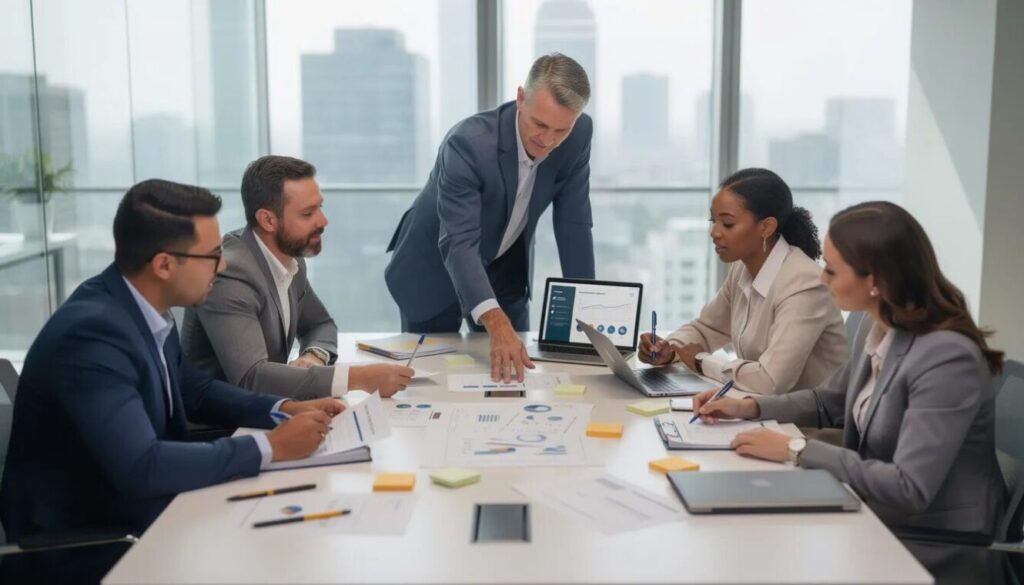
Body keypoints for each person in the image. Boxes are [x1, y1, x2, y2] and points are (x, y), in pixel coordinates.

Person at [0, 180, 342, 583]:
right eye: (213, 255)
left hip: (154, 514)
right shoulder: (91, 336)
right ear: (164, 264)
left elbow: (193, 390)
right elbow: (143, 467)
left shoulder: (144, 308)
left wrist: (281, 409)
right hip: (96, 548)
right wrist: (271, 446)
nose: (225, 266)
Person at [692, 201, 1006, 552]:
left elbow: (909, 488)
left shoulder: (947, 358)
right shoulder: (879, 326)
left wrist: (797, 449)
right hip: (872, 511)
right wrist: (747, 407)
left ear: (874, 280)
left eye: (831, 269)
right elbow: (827, 402)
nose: (821, 278)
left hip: (936, 541)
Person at [385, 53, 595, 383]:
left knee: (515, 369)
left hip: (505, 264)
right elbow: (459, 241)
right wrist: (495, 322)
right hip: (433, 267)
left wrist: (588, 309)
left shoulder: (580, 134)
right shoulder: (468, 143)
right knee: (432, 382)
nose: (548, 140)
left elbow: (574, 223)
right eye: (539, 125)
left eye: (561, 130)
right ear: (521, 97)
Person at [181, 156, 412, 399]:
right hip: (223, 426)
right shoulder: (232, 275)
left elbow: (320, 324)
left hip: (275, 409)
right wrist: (358, 378)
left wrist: (314, 356)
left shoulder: (289, 256)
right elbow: (253, 378)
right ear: (268, 220)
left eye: (319, 207)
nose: (323, 221)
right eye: (307, 213)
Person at [640, 168, 848, 394]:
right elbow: (707, 328)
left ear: (766, 227)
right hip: (761, 409)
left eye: (727, 224)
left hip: (807, 426)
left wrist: (701, 361)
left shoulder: (805, 284)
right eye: (713, 220)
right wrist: (669, 349)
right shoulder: (742, 268)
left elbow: (771, 381)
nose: (714, 232)